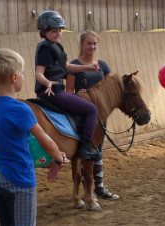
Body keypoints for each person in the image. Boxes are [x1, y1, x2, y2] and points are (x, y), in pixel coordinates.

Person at [0, 48, 69, 226]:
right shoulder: (20, 109)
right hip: (20, 180)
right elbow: (45, 141)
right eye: (22, 73)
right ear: (14, 78)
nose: (23, 76)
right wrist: (58, 158)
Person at [35, 10, 102, 161]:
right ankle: (86, 147)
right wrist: (47, 82)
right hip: (53, 92)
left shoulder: (57, 46)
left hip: (57, 90)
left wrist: (87, 68)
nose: (58, 34)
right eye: (54, 31)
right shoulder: (45, 49)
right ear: (44, 31)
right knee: (92, 109)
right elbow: (38, 73)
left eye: (59, 31)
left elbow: (68, 67)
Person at [66, 30, 119, 201]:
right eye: (89, 43)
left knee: (98, 151)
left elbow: (112, 86)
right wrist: (78, 93)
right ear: (82, 45)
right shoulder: (75, 65)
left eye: (95, 43)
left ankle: (100, 188)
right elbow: (68, 92)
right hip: (83, 115)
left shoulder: (102, 65)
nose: (92, 46)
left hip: (100, 115)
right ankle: (87, 191)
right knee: (85, 152)